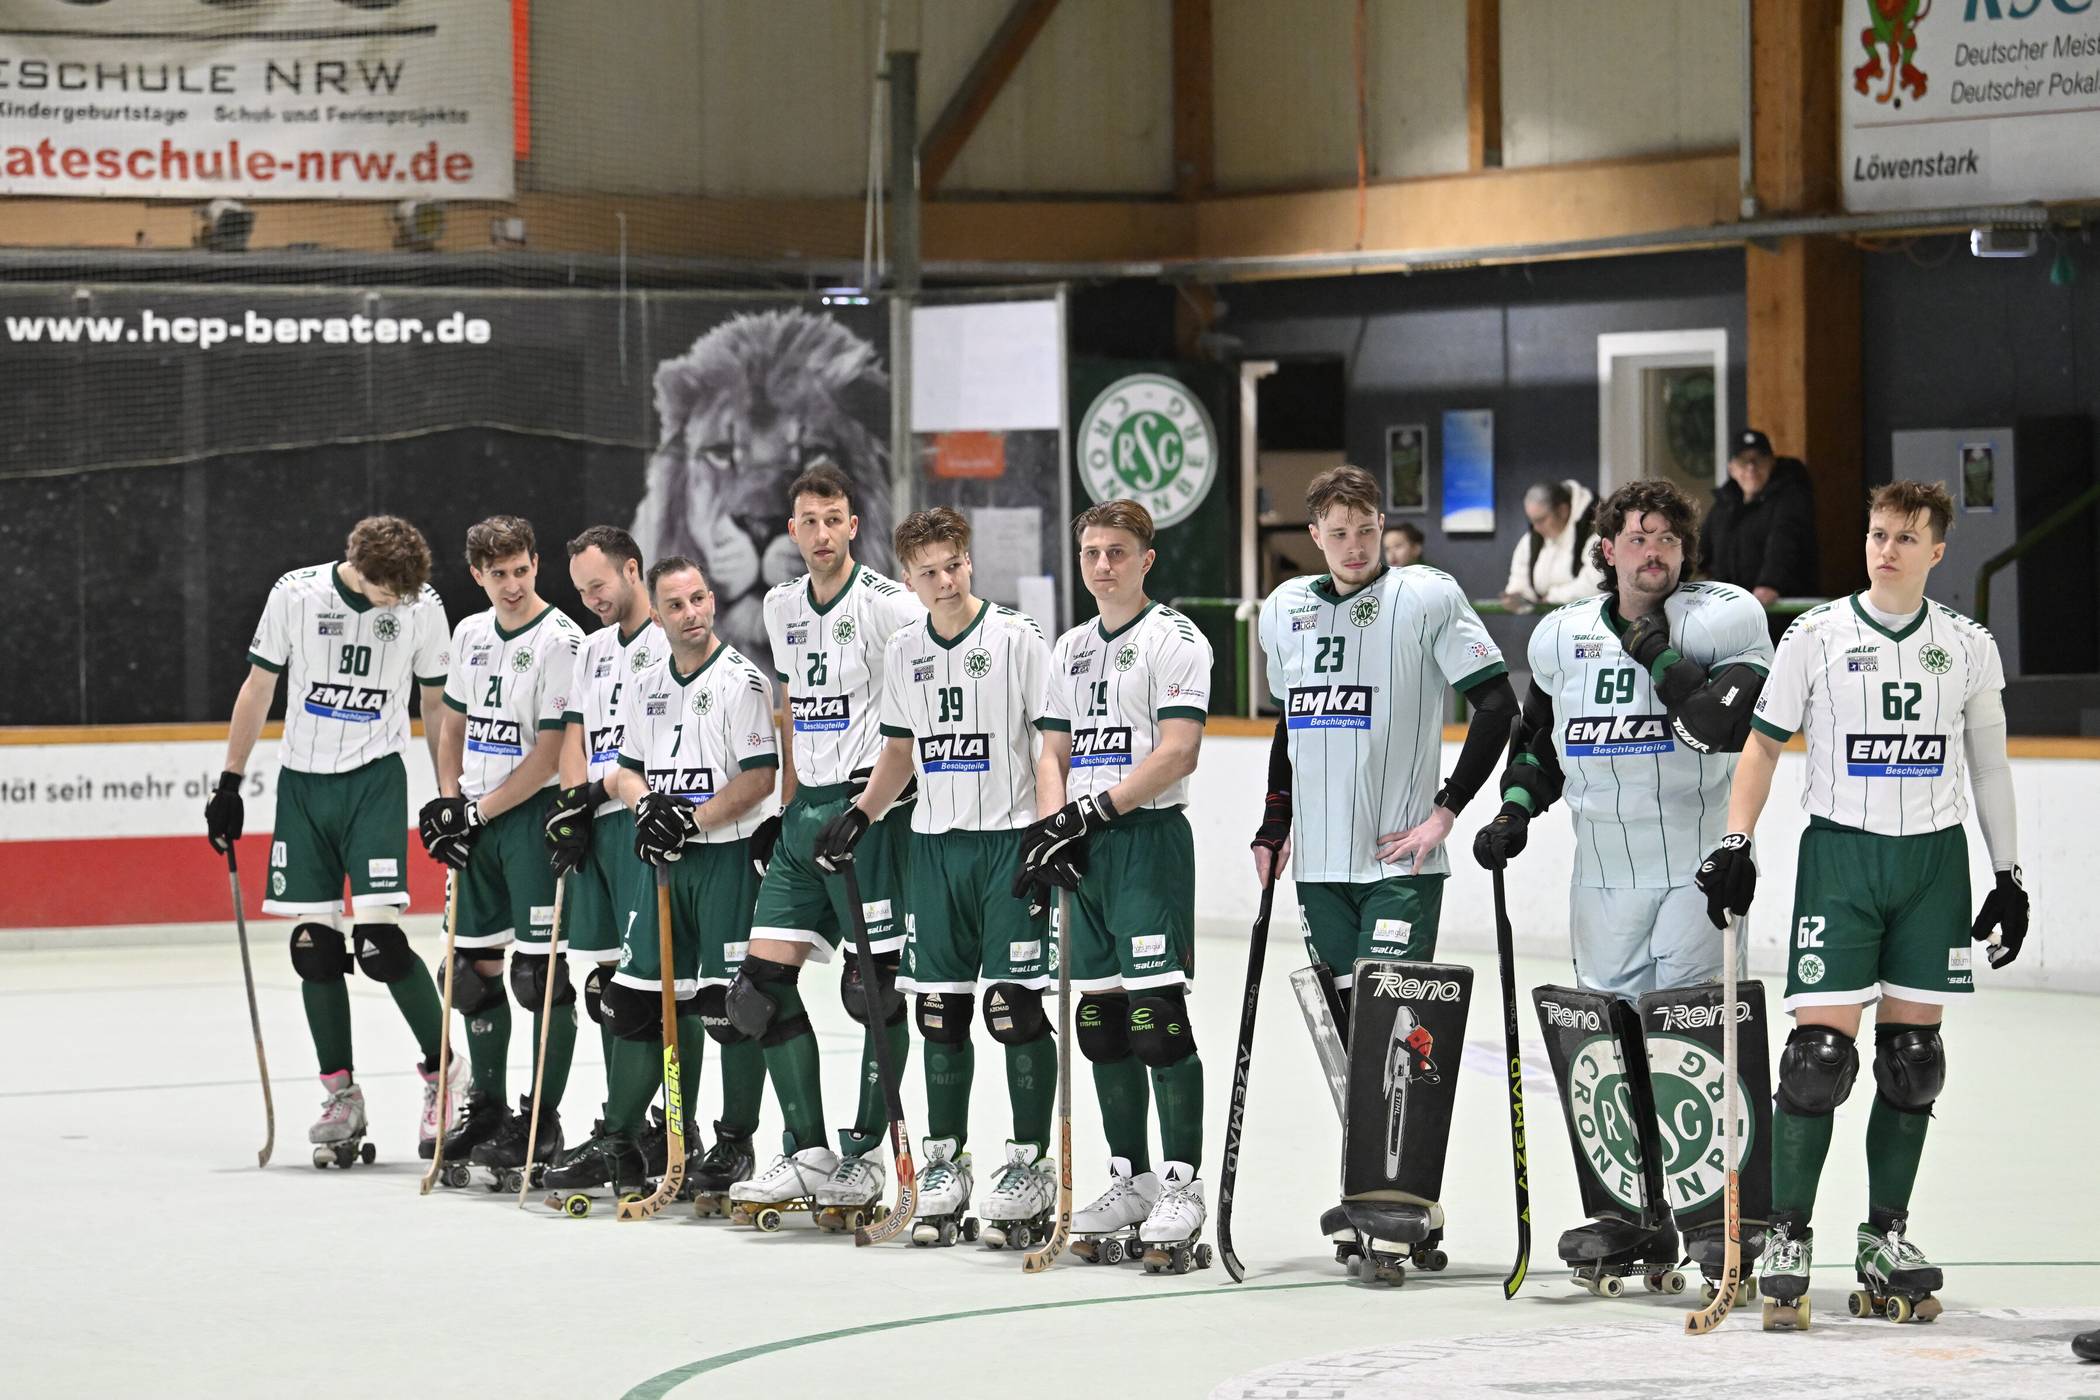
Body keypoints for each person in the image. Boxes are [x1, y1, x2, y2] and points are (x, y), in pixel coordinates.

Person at [1698, 480, 2027, 1328]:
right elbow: (1764, 748)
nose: (1886, 549)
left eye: (1905, 537)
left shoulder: (1967, 644)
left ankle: (1885, 1235)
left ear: (1937, 550)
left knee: (1914, 1061)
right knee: (1815, 1062)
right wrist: (1737, 841)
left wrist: (2010, 875)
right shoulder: (1814, 635)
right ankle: (1790, 1234)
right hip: (1841, 859)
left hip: (1933, 866)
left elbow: (1989, 766)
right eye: (1877, 533)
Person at [1472, 478, 1772, 1290]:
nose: (1654, 550)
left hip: (1691, 866)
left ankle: (1716, 1221)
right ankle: (1628, 1215)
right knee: (1606, 1046)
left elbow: (1721, 725)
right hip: (1600, 874)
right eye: (1637, 537)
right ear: (1606, 550)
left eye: (1668, 538)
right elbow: (1539, 740)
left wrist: (1656, 653)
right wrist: (1516, 810)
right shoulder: (1561, 636)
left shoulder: (1726, 617)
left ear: (1687, 551)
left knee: (1689, 1040)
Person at [1250, 464, 1521, 1257]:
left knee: (1392, 1035)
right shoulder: (1285, 610)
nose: (1355, 545)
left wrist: (1446, 810)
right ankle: (1378, 1196)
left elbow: (1497, 705)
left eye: (1366, 529)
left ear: (1382, 525)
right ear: (1315, 537)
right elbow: (1291, 727)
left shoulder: (1428, 596)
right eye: (1338, 533)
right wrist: (1274, 825)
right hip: (1320, 868)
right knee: (1348, 1039)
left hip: (1399, 862)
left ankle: (1401, 1201)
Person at [810, 507, 1061, 1250]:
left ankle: (1029, 1162)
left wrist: (1048, 834)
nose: (946, 580)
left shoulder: (1017, 639)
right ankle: (947, 1163)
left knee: (1013, 1007)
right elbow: (898, 754)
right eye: (930, 571)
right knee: (941, 1015)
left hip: (1006, 843)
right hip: (933, 849)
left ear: (969, 561)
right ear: (911, 579)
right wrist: (859, 814)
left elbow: (1051, 747)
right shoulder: (905, 648)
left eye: (955, 564)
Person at [205, 516, 467, 1162]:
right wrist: (229, 782)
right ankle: (341, 1095)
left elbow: (435, 706)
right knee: (313, 951)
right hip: (304, 786)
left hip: (374, 783)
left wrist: (445, 797)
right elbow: (258, 687)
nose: (396, 605)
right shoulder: (296, 595)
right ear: (360, 569)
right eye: (387, 595)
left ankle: (445, 1075)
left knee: (378, 946)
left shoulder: (422, 605)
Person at [722, 465, 924, 1226]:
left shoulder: (890, 606)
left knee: (873, 993)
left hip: (875, 811)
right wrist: (786, 804)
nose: (820, 534)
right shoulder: (781, 607)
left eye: (833, 519)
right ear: (792, 527)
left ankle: (864, 1155)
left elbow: (917, 709)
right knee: (755, 993)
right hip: (808, 814)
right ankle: (806, 1152)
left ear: (853, 524)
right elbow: (798, 711)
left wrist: (884, 800)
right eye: (807, 520)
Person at [543, 557, 778, 1205]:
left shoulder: (742, 681)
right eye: (678, 605)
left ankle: (732, 1142)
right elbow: (626, 768)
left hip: (724, 862)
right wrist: (646, 805)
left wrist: (692, 820)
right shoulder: (647, 681)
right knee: (635, 1001)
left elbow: (759, 777)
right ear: (664, 612)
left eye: (700, 599)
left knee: (726, 1012)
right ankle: (624, 1139)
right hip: (664, 864)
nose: (692, 613)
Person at [1021, 499, 1213, 1266]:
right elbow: (1050, 753)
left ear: (1146, 560)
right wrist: (1051, 827)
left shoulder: (1175, 639)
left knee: (1154, 1017)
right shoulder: (1067, 647)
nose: (1102, 565)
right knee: (1100, 1023)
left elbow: (1180, 751)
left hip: (1144, 841)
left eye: (1117, 552)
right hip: (1084, 847)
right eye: (1091, 551)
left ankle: (1182, 1181)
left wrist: (1092, 811)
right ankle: (1129, 1178)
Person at [419, 515, 585, 1170]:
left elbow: (549, 755)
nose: (512, 585)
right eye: (498, 575)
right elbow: (450, 725)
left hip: (531, 817)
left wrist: (477, 813)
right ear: (477, 576)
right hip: (479, 816)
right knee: (468, 974)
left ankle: (540, 1121)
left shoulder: (561, 640)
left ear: (536, 565)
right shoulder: (469, 633)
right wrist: (448, 802)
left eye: (521, 571)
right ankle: (485, 1106)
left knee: (539, 976)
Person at [535, 526, 688, 1190]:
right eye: (580, 590)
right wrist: (570, 805)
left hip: (639, 824)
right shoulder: (591, 650)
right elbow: (575, 732)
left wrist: (609, 796)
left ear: (633, 570)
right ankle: (618, 1125)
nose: (591, 598)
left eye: (598, 584)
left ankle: (653, 1127)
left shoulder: (670, 645)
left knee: (647, 991)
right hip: (594, 826)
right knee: (602, 987)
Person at [1700, 428, 1819, 607]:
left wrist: (1770, 584)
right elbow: (1699, 552)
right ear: (1731, 468)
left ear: (1772, 463)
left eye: (1759, 460)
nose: (1751, 467)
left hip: (1779, 614)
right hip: (1730, 616)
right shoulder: (1723, 507)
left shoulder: (1791, 497)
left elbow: (1784, 541)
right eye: (1743, 461)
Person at [1501, 480, 1604, 611]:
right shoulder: (1531, 540)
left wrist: (1551, 598)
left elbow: (1595, 586)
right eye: (1532, 521)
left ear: (1563, 511)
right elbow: (1520, 582)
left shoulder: (1596, 533)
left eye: (1541, 520)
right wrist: (1516, 597)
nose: (1536, 528)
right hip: (1552, 624)